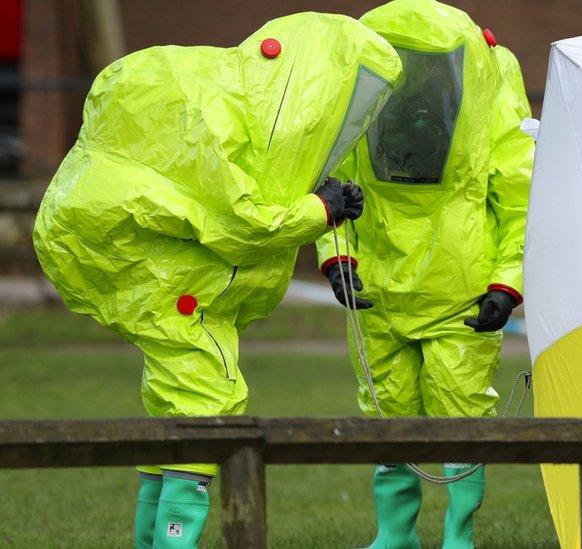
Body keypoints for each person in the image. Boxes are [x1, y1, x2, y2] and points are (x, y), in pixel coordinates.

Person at [32, 13, 402, 548]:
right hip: (141, 259)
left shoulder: (229, 98)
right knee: (209, 396)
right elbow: (240, 223)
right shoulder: (218, 115)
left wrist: (321, 199)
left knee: (174, 399)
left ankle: (154, 539)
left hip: (143, 259)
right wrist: (319, 210)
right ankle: (173, 540)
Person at [315, 1, 534, 547]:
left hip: (458, 293)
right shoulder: (358, 96)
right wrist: (337, 256)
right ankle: (395, 534)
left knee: (461, 415)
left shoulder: (487, 88)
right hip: (381, 293)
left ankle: (458, 534)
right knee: (388, 415)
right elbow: (329, 181)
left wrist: (508, 284)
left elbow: (520, 196)